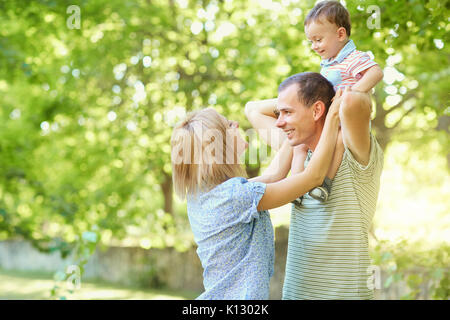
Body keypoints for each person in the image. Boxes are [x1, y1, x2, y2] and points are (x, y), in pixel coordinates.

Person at [171, 94, 341, 299]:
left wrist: (299, 112)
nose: (235, 123)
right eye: (228, 125)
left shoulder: (206, 194)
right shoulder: (234, 197)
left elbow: (274, 175)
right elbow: (313, 177)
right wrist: (332, 116)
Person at [245, 72, 384, 299]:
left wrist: (334, 91)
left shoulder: (354, 151)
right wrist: (307, 97)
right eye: (278, 113)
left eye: (288, 112)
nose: (279, 122)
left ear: (318, 110)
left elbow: (352, 102)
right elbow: (253, 109)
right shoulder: (297, 150)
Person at [293, 0, 384, 202]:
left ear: (340, 34)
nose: (314, 46)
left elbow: (376, 72)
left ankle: (325, 182)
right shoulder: (328, 63)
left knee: (339, 141)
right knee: (300, 143)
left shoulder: (352, 58)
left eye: (318, 40)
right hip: (329, 117)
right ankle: (296, 184)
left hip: (347, 120)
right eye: (311, 42)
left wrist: (352, 94)